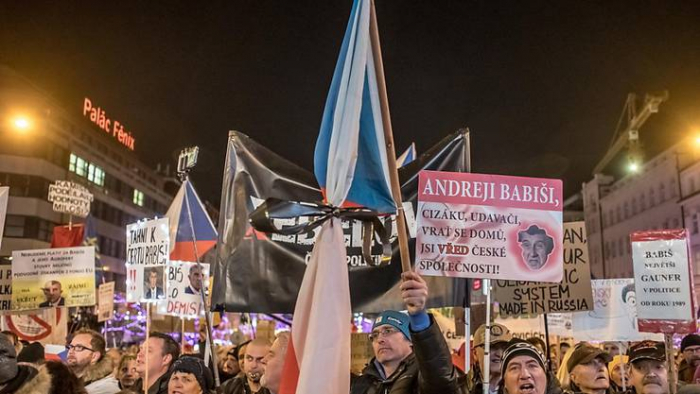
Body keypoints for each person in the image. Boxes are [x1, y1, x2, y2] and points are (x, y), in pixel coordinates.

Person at [349, 271, 460, 394]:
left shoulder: (423, 378)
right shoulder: (361, 384)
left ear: (411, 341)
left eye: (388, 331)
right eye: (375, 335)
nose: (380, 339)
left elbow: (440, 377)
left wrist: (419, 317)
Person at [67, 328, 120, 394]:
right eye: (70, 347)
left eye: (79, 347)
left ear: (94, 356)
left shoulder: (106, 388)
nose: (71, 351)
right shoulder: (64, 381)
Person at [467, 323, 513, 394]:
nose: (500, 354)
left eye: (504, 347)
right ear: (475, 353)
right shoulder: (457, 389)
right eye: (491, 347)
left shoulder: (518, 387)